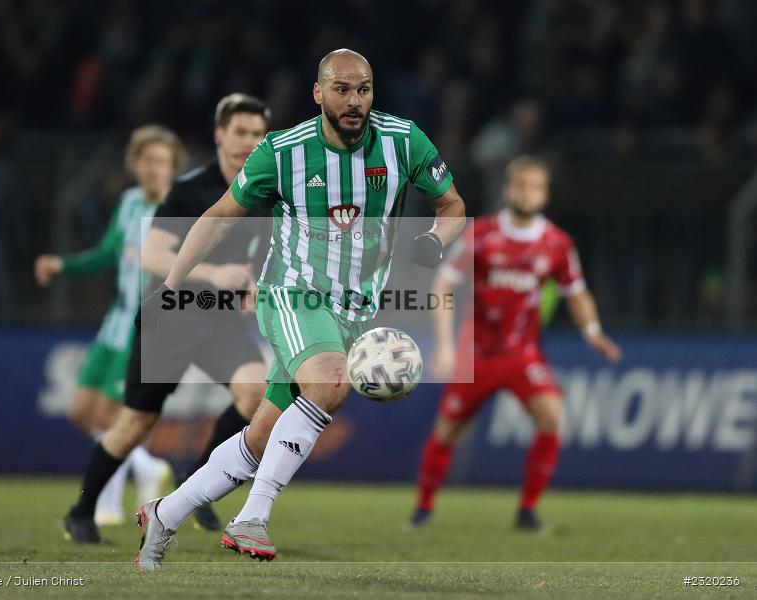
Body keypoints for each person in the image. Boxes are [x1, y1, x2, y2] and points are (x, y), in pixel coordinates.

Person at [133, 48, 467, 571]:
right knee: (332, 381)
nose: (354, 100)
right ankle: (252, 518)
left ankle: (164, 511)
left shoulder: (404, 141)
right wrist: (170, 286)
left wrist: (434, 238)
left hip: (353, 311)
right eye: (342, 89)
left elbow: (453, 205)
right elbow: (220, 217)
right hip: (291, 292)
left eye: (363, 89)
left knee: (262, 436)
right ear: (319, 93)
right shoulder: (282, 151)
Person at [63, 94, 272, 543]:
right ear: (220, 135)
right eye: (240, 132)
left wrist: (256, 284)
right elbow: (153, 253)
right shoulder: (192, 189)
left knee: (256, 393)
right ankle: (81, 509)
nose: (248, 142)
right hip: (172, 315)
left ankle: (190, 491)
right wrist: (217, 273)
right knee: (136, 422)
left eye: (257, 134)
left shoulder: (265, 193)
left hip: (220, 319)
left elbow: (262, 255)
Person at [409, 155, 622, 531]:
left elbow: (577, 293)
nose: (529, 193)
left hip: (523, 353)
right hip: (475, 352)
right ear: (509, 190)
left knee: (552, 417)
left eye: (536, 187)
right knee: (447, 431)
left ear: (545, 194)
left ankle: (527, 511)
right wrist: (443, 346)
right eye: (522, 185)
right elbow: (443, 283)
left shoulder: (556, 243)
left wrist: (593, 333)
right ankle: (423, 508)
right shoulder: (483, 234)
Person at [35, 125, 185, 525]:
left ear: (174, 166)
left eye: (161, 161)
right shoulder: (130, 201)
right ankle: (149, 467)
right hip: (113, 324)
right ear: (134, 164)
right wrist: (63, 265)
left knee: (111, 417)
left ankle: (108, 505)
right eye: (145, 160)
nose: (152, 169)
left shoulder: (181, 207)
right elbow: (107, 254)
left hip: (147, 325)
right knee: (81, 409)